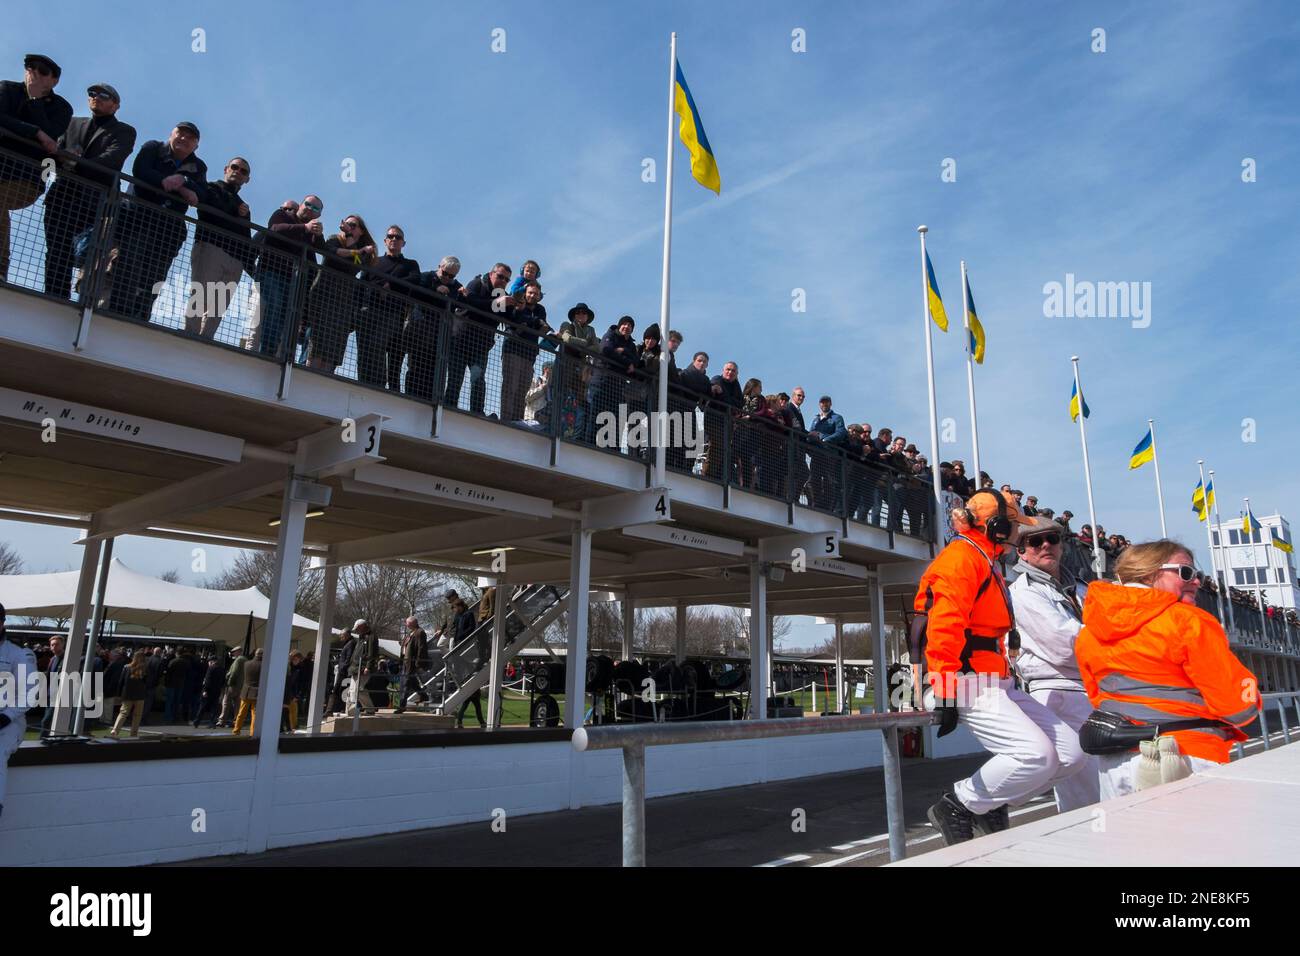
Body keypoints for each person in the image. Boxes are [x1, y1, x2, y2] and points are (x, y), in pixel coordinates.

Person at [917, 489, 1087, 845]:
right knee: (1035, 756)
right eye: (1014, 526)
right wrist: (946, 689)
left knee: (1071, 753)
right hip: (966, 680)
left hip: (996, 680)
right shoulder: (961, 560)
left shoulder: (986, 559)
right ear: (996, 526)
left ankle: (990, 803)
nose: (1019, 534)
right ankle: (958, 805)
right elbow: (943, 628)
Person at [1075, 540, 1260, 798]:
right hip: (1186, 756)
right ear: (1150, 573)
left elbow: (1096, 696)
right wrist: (1251, 687)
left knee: (1127, 837)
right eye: (1186, 572)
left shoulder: (1089, 631)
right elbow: (1239, 707)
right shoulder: (1189, 621)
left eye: (1197, 575)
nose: (1196, 582)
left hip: (1114, 765)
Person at [1008, 517, 1100, 811]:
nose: (1045, 545)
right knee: (1083, 794)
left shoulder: (1081, 588)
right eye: (1035, 541)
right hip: (1058, 692)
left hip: (1093, 689)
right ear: (1021, 551)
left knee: (1110, 786)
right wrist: (1115, 640)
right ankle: (979, 804)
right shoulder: (1023, 591)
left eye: (1052, 539)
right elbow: (1065, 645)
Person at [101, 122, 207, 321]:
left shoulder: (198, 167)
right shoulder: (153, 148)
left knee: (155, 275)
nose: (184, 139)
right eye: (180, 133)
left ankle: (141, 315)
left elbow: (201, 195)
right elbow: (140, 171)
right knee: (129, 265)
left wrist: (183, 181)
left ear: (196, 146)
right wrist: (174, 185)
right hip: (137, 218)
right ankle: (118, 313)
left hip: (168, 230)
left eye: (190, 137)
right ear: (171, 134)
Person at [43, 82, 136, 300]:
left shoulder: (124, 131)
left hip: (94, 202)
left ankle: (86, 302)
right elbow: (53, 154)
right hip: (62, 196)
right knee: (57, 252)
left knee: (92, 254)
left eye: (104, 95)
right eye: (92, 93)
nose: (97, 97)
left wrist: (73, 162)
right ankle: (55, 298)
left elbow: (111, 161)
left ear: (116, 105)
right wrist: (65, 158)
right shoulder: (72, 124)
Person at [0, 54, 71, 280]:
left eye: (41, 71)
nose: (33, 73)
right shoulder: (7, 90)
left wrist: (34, 101)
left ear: (54, 81)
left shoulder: (61, 107)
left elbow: (52, 133)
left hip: (27, 179)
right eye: (30, 67)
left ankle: (0, 267)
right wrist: (34, 133)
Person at [187, 156, 253, 338]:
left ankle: (206, 338)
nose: (238, 172)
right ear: (226, 169)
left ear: (247, 179)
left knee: (219, 306)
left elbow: (245, 237)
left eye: (243, 171)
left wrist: (250, 268)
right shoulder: (211, 188)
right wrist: (236, 215)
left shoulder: (244, 207)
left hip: (235, 260)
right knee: (200, 295)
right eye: (235, 167)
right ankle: (190, 335)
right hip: (211, 247)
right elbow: (207, 212)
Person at [255, 194, 324, 358]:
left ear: (318, 215)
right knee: (275, 306)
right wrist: (304, 228)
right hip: (271, 271)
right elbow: (275, 229)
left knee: (287, 315)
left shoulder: (311, 231)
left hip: (294, 280)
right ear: (300, 205)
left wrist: (319, 235)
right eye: (308, 204)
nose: (310, 209)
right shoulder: (282, 215)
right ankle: (267, 352)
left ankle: (280, 353)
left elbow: (322, 251)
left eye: (315, 208)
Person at [304, 214, 375, 373]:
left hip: (343, 303)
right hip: (324, 297)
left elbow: (353, 268)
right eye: (347, 224)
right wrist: (353, 245)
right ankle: (307, 377)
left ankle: (324, 383)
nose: (349, 227)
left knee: (334, 346)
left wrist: (355, 248)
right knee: (317, 343)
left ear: (361, 231)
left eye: (353, 225)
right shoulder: (334, 239)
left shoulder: (362, 254)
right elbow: (333, 254)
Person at [445, 263, 512, 415]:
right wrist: (496, 304)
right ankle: (449, 407)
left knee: (478, 379)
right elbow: (472, 301)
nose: (503, 281)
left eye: (506, 280)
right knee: (456, 378)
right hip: (460, 340)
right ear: (491, 274)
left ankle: (477, 412)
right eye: (500, 276)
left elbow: (498, 316)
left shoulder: (500, 294)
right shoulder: (477, 283)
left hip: (481, 345)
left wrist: (511, 306)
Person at [360, 224, 420, 389]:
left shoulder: (410, 264)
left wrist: (390, 285)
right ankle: (369, 386)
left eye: (398, 237)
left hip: (396, 314)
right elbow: (363, 282)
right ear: (385, 241)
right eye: (391, 236)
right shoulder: (374, 261)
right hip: (371, 313)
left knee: (395, 357)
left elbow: (415, 280)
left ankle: (393, 389)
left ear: (403, 243)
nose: (394, 239)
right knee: (370, 353)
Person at [408, 255, 464, 401]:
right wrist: (435, 289)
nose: (447, 278)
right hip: (420, 329)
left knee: (436, 369)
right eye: (445, 273)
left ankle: (431, 399)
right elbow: (414, 292)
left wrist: (464, 295)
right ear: (439, 267)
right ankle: (411, 396)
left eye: (451, 276)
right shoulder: (426, 277)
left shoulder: (456, 286)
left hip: (441, 334)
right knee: (416, 366)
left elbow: (463, 303)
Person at [0, 603, 37, 817]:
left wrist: (7, 716)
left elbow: (31, 693)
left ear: (2, 623)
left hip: (9, 723)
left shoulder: (19, 654)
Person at [500, 279, 550, 422]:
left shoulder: (540, 310)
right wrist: (534, 322)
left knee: (522, 389)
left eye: (536, 294)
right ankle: (506, 419)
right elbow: (515, 319)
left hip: (529, 353)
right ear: (525, 292)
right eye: (530, 293)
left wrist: (532, 323)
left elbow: (543, 327)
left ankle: (517, 420)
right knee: (511, 385)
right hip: (513, 349)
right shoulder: (518, 302)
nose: (533, 296)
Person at [591, 315, 639, 447]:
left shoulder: (631, 344)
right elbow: (606, 350)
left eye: (630, 325)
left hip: (617, 385)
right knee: (597, 413)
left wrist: (623, 351)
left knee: (614, 417)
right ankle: (592, 443)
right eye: (624, 324)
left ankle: (611, 446)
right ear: (619, 325)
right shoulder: (610, 335)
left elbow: (636, 361)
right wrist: (626, 361)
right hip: (602, 380)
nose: (627, 327)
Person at [807, 395, 847, 511]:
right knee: (815, 477)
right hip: (817, 452)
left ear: (830, 404)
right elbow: (811, 433)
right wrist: (810, 441)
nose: (824, 405)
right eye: (822, 403)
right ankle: (817, 502)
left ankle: (828, 505)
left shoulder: (837, 418)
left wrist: (824, 439)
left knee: (828, 479)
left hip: (829, 453)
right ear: (819, 404)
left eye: (826, 402)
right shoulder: (816, 419)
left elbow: (840, 433)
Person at [452, 599, 485, 728]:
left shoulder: (469, 614)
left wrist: (462, 636)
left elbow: (471, 628)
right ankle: (479, 722)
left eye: (456, 607)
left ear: (461, 606)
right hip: (459, 644)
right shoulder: (458, 616)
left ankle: (464, 721)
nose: (455, 610)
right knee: (473, 704)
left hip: (465, 643)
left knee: (471, 704)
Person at [109, 649, 150, 739]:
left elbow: (121, 682)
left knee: (123, 713)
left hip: (127, 694)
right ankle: (134, 733)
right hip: (140, 695)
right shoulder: (145, 669)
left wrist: (119, 694)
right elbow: (147, 683)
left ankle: (115, 730)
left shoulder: (126, 667)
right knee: (137, 715)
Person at [394, 617, 428, 713]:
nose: (406, 625)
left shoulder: (420, 632)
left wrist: (418, 662)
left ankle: (402, 706)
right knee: (412, 682)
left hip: (412, 663)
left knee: (405, 684)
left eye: (407, 623)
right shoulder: (410, 633)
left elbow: (421, 648)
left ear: (413, 623)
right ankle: (424, 695)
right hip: (405, 662)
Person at [231, 648, 263, 736]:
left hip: (246, 691)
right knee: (254, 714)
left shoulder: (247, 663)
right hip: (257, 692)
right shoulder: (264, 665)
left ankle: (236, 730)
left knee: (241, 712)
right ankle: (252, 732)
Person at [40, 635, 65, 736]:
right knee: (48, 721)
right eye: (52, 645)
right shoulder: (53, 659)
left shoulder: (66, 659)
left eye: (56, 644)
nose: (54, 647)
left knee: (46, 721)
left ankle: (42, 742)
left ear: (62, 645)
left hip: (60, 696)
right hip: (50, 696)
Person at [193, 655, 225, 729]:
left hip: (209, 691)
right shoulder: (222, 669)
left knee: (202, 707)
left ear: (211, 662)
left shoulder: (211, 668)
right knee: (214, 708)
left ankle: (197, 721)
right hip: (217, 691)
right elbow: (223, 681)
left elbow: (207, 680)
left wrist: (205, 690)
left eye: (209, 662)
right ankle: (212, 723)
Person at [217, 647, 245, 728]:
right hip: (241, 686)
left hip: (233, 685)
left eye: (234, 652)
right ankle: (237, 721)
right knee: (237, 704)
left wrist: (229, 681)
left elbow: (234, 672)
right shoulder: (245, 660)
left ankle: (222, 721)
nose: (233, 654)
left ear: (239, 652)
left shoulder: (238, 660)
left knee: (225, 702)